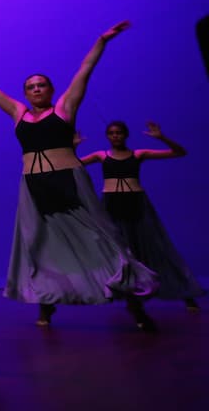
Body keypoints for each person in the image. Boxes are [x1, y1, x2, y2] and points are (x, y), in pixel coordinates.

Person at [0, 21, 158, 331]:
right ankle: (46, 307)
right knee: (39, 244)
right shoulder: (19, 113)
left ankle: (135, 305)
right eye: (30, 87)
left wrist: (101, 40)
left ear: (51, 89)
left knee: (104, 239)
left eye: (41, 85)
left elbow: (85, 70)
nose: (36, 90)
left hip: (69, 181)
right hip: (33, 185)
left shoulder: (64, 109)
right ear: (25, 93)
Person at [80, 121, 201, 311]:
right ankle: (124, 292)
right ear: (107, 136)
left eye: (119, 133)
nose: (115, 136)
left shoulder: (138, 154)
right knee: (116, 250)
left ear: (125, 135)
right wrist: (73, 146)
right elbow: (72, 164)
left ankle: (184, 293)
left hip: (136, 203)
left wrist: (161, 137)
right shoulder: (101, 156)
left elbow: (179, 152)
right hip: (111, 205)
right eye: (111, 133)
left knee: (154, 248)